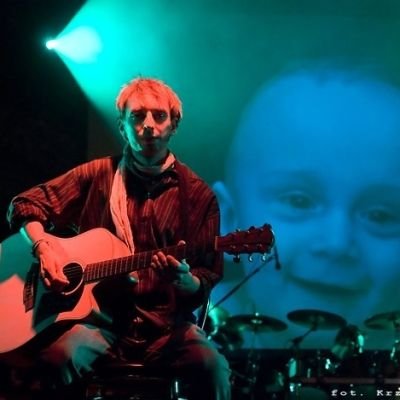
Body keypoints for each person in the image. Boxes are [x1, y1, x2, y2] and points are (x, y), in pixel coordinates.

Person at [4, 77, 231, 399]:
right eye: (137, 116)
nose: (148, 125)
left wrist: (185, 281)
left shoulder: (197, 195)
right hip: (100, 322)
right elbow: (25, 204)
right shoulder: (96, 175)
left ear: (174, 125)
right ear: (123, 126)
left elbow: (207, 274)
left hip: (166, 327)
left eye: (159, 116)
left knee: (212, 367)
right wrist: (44, 247)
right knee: (54, 361)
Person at [211, 65, 400, 353]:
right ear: (228, 219)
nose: (337, 243)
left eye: (380, 216)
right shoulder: (172, 336)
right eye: (298, 201)